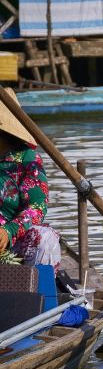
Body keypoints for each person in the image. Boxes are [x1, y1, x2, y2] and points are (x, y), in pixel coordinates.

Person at [0, 94, 60, 270]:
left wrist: (8, 232)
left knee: (45, 238)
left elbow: (36, 207)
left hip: (12, 242)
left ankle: (38, 295)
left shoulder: (27, 159)